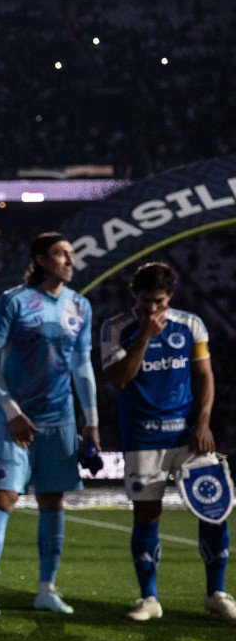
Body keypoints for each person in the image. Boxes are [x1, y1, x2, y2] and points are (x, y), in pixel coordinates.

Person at [100, 262, 234, 622]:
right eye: (146, 301)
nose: (153, 310)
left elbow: (205, 377)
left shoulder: (191, 325)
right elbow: (119, 379)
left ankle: (216, 593)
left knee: (214, 508)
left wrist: (203, 422)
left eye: (159, 302)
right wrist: (143, 336)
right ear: (135, 296)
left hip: (188, 435)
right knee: (147, 514)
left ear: (169, 297)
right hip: (143, 438)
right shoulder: (116, 328)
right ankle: (149, 599)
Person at [0, 233, 100, 617]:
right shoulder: (14, 301)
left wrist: (91, 422)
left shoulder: (80, 306)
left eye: (71, 255)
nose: (69, 261)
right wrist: (11, 410)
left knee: (52, 500)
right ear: (41, 260)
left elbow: (82, 366)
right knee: (3, 498)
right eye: (61, 254)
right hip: (18, 420)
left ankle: (46, 589)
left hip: (59, 419)